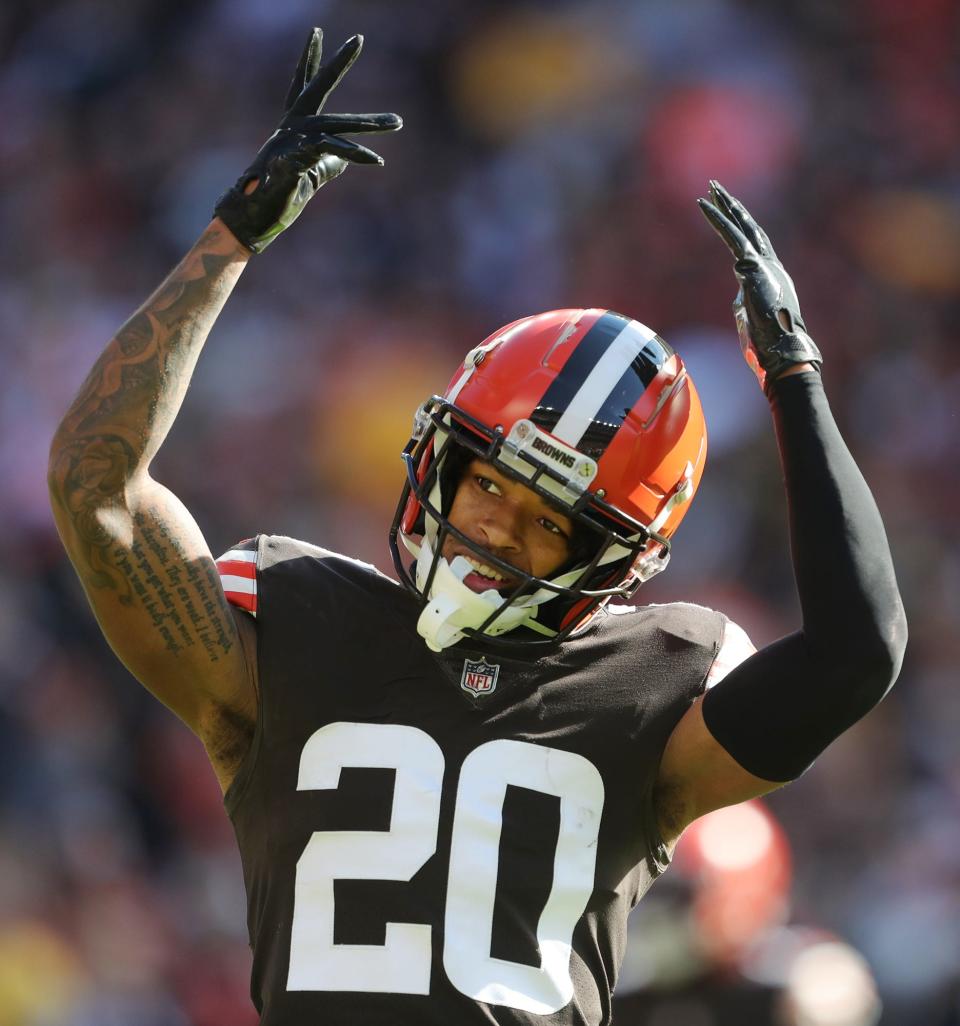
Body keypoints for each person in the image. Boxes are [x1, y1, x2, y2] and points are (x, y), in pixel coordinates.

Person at [47, 27, 907, 1026]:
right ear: (437, 458)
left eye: (549, 523)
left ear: (609, 558)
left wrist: (795, 381)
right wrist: (229, 240)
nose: (495, 528)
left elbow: (857, 653)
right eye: (487, 483)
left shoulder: (652, 685)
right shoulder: (292, 625)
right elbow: (94, 483)